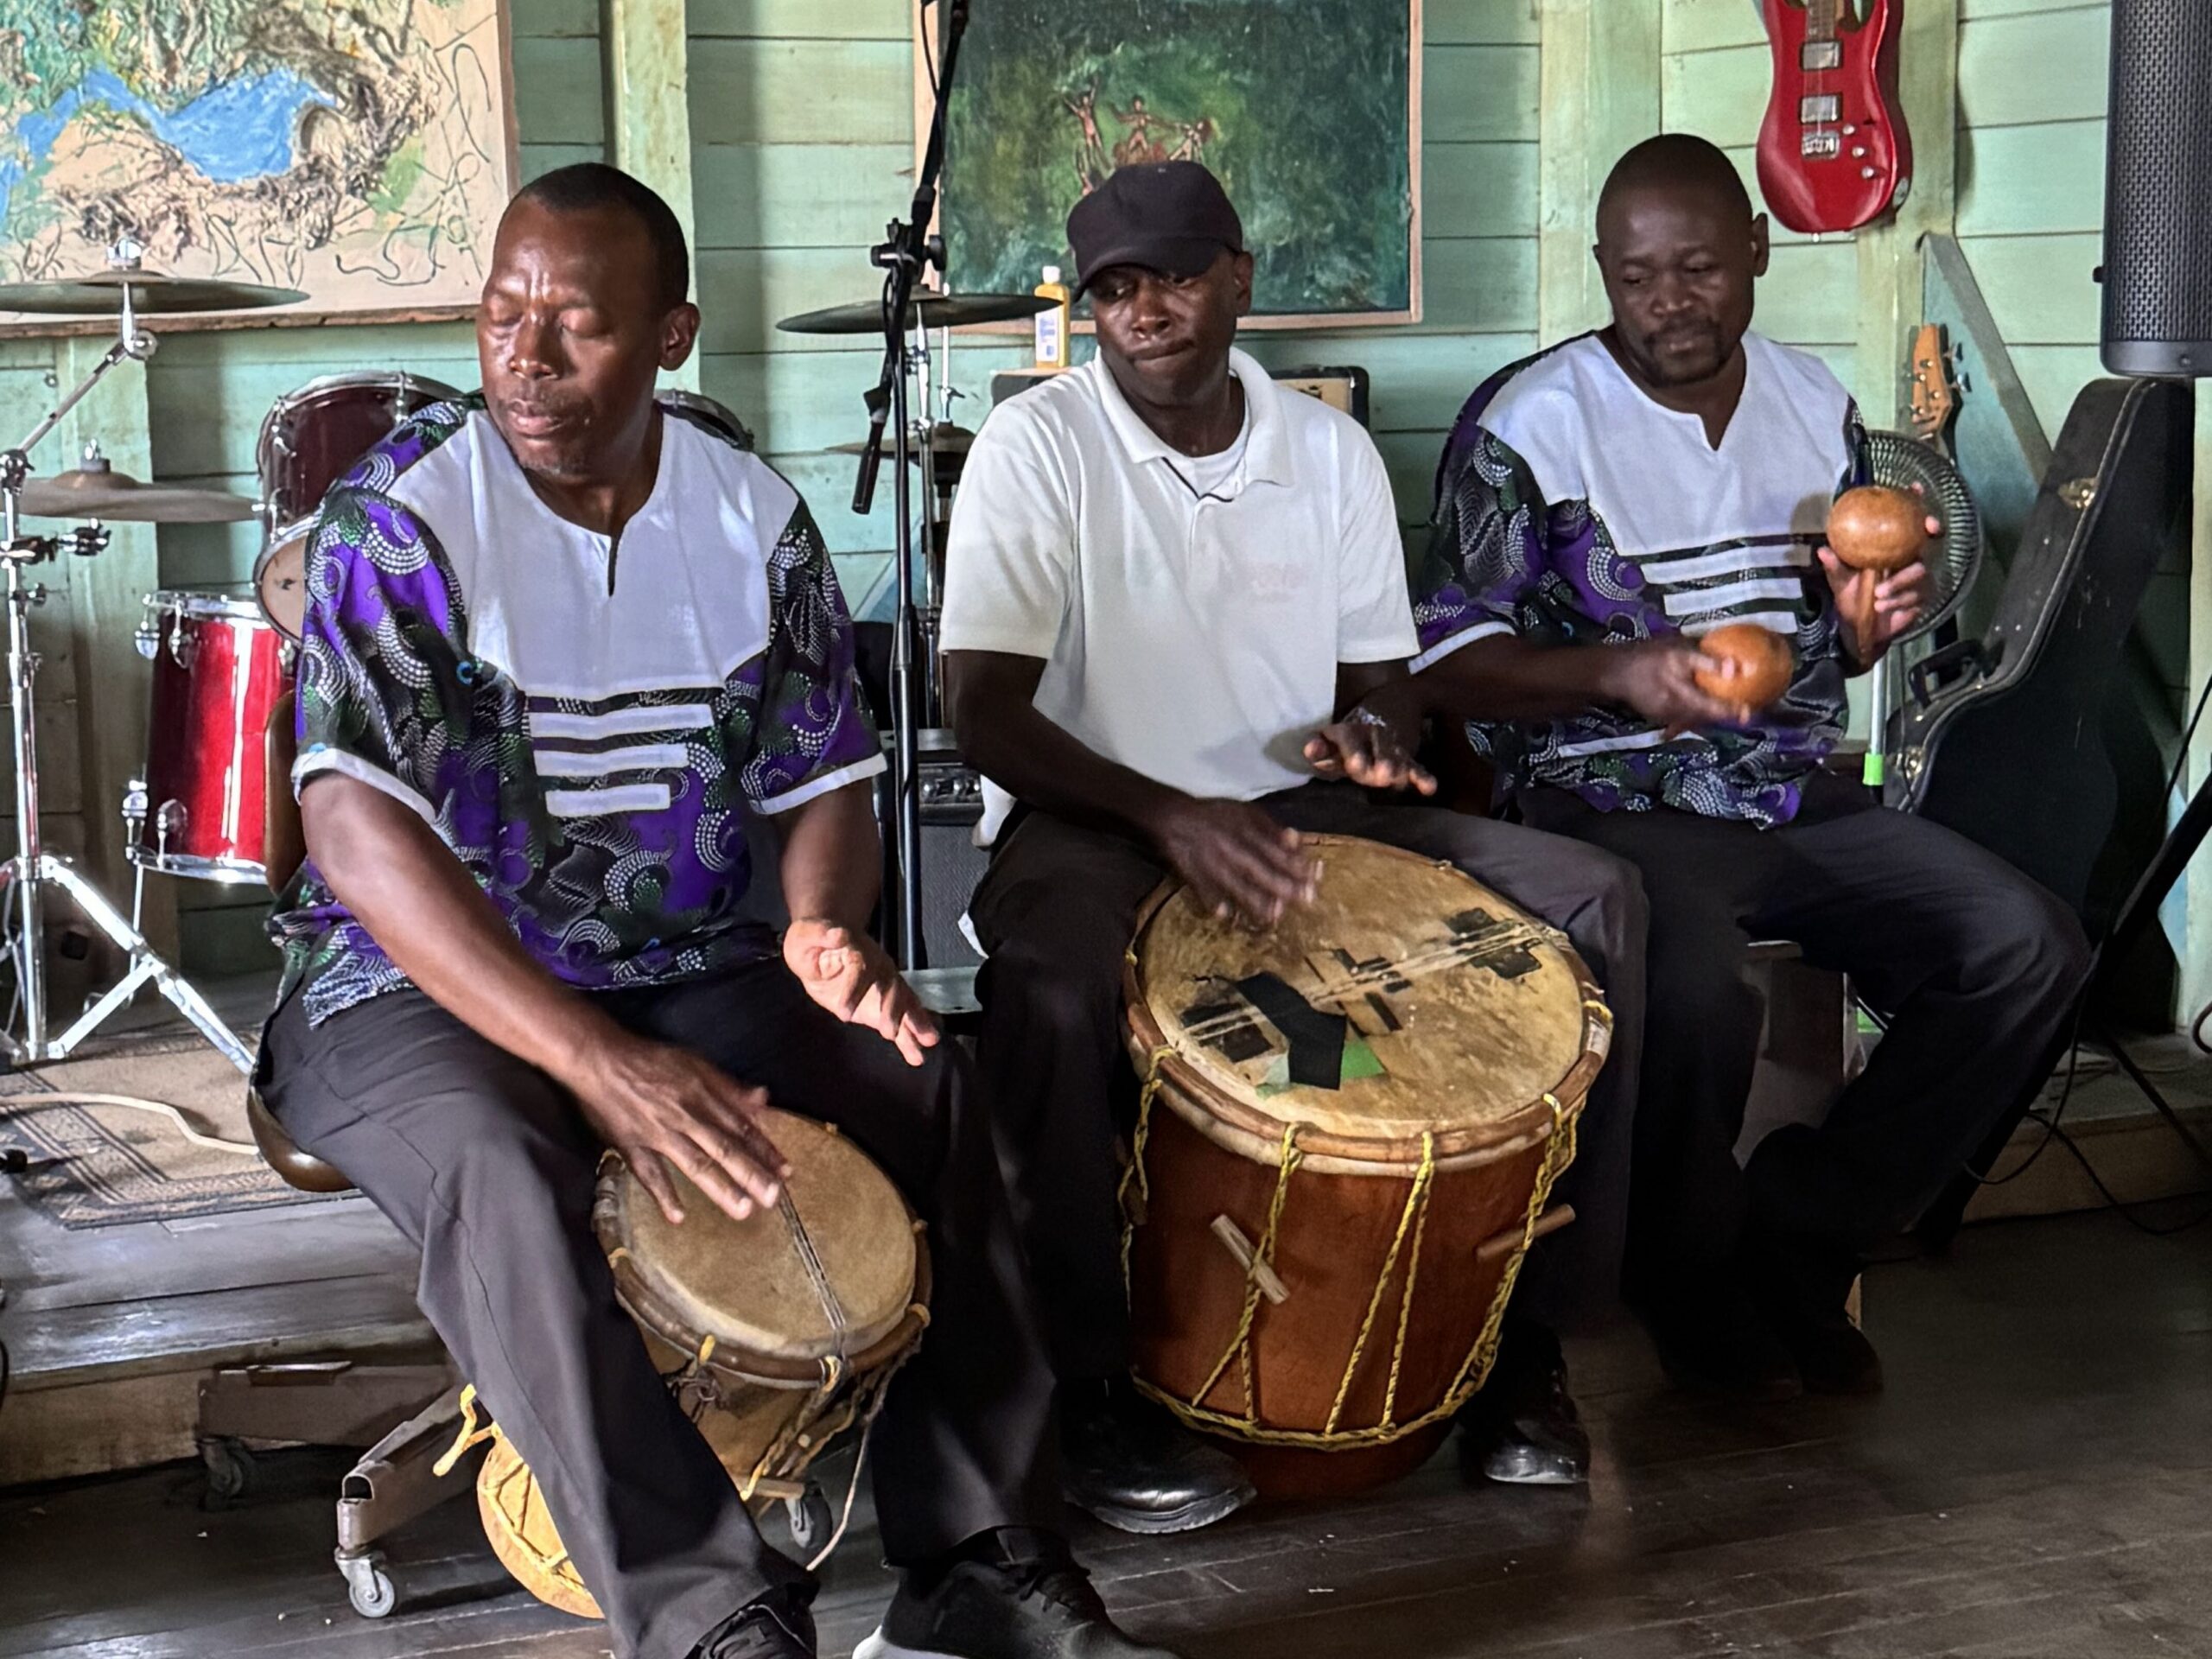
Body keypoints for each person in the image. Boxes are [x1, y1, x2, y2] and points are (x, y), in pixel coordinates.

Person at [257, 163, 1179, 1659]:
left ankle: (978, 1563)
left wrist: (824, 926)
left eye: (578, 325)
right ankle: (712, 1618)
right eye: (504, 315)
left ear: (671, 337)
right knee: (505, 1161)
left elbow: (823, 778)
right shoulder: (406, 517)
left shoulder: (751, 519)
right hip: (400, 987)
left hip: (677, 960)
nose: (529, 359)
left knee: (921, 1081)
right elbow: (356, 835)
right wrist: (593, 1061)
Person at [940, 160, 1648, 1525]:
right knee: (1053, 993)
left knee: (1601, 902)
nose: (1148, 310)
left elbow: (1379, 678)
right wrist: (1165, 814)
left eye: (1179, 275)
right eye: (1117, 289)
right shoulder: (1042, 447)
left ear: (1241, 277)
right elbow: (979, 711)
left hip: (1298, 815)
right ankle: (1087, 1394)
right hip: (1091, 822)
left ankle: (1527, 1350)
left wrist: (1378, 736)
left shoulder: (1323, 452)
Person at [1399, 134, 2091, 1399]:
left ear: (1757, 252)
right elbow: (1451, 663)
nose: (1669, 299)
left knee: (2026, 943)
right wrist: (1625, 674)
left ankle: (1798, 1237)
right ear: (1607, 275)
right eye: (1637, 276)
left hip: (1788, 784)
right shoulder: (1532, 423)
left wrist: (1864, 627)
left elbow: (1825, 623)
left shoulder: (1811, 400)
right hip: (1609, 795)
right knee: (1699, 987)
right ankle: (1687, 1274)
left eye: (1701, 267)